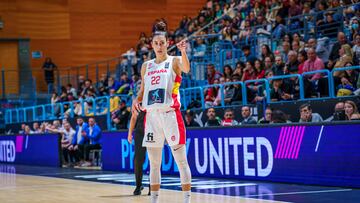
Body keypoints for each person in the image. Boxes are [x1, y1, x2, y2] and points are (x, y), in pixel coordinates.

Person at [131, 21, 191, 203]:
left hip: (170, 115)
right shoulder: (145, 66)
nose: (159, 46)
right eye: (156, 43)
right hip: (152, 118)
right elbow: (143, 91)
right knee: (154, 164)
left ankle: (187, 200)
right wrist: (136, 99)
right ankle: (154, 200)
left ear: (167, 43)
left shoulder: (174, 61)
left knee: (181, 161)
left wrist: (183, 51)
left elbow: (187, 69)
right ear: (151, 45)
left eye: (162, 43)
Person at [127, 109, 149, 195]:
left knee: (154, 160)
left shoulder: (156, 97)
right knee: (138, 160)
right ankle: (138, 185)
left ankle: (153, 186)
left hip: (153, 131)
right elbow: (133, 117)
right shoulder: (137, 101)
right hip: (140, 132)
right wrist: (130, 133)